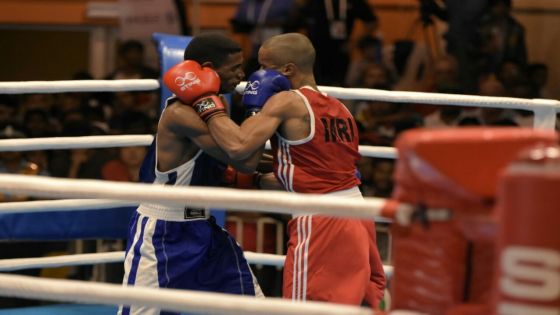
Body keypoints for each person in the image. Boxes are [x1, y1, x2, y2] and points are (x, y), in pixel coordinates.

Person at [169, 33, 386, 307]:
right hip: (358, 216)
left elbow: (239, 147)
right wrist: (253, 181)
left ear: (287, 70)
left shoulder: (286, 102)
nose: (256, 75)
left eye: (265, 67)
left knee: (303, 307)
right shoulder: (340, 108)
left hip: (321, 222)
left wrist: (210, 102)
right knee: (354, 304)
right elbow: (319, 175)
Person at [119, 33, 265, 315]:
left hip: (203, 230)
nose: (241, 74)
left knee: (253, 306)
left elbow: (246, 160)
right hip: (162, 232)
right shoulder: (180, 114)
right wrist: (258, 111)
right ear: (208, 68)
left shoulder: (213, 113)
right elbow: (244, 156)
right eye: (234, 67)